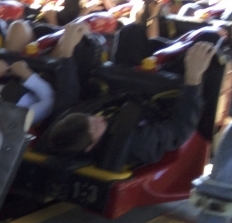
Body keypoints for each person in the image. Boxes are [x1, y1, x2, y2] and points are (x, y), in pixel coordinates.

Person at [44, 41, 217, 168]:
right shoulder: (137, 144)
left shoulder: (74, 125)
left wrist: (67, 55)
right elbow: (181, 129)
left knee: (131, 33)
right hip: (173, 100)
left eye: (89, 118)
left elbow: (67, 94)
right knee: (209, 43)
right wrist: (193, 78)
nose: (98, 119)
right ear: (89, 147)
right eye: (95, 127)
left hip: (131, 91)